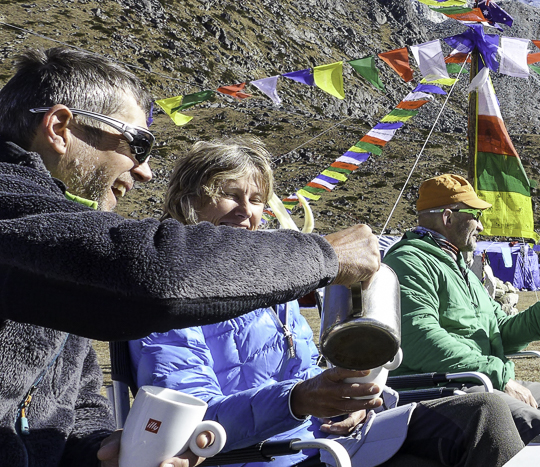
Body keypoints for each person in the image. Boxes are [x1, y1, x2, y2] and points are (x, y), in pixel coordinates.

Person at [0, 47, 380, 467]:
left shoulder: (64, 253)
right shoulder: (11, 206)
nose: (144, 171)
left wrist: (101, 449)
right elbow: (155, 278)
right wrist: (324, 255)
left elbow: (78, 405)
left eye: (257, 200)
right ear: (59, 127)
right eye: (138, 143)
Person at [130, 139, 523, 467]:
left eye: (255, 199)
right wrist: (298, 400)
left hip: (326, 442)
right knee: (482, 419)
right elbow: (188, 422)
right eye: (230, 195)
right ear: (188, 202)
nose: (247, 212)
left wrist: (354, 402)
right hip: (267, 455)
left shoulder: (271, 286)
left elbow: (309, 375)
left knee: (485, 416)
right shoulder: (168, 296)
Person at [382, 174, 540, 444]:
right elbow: (421, 340)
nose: (481, 226)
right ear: (448, 217)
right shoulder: (408, 262)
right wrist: (498, 374)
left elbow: (502, 331)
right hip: (444, 389)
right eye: (475, 216)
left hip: (481, 380)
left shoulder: (460, 267)